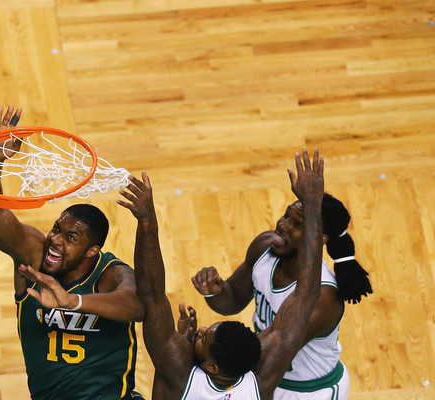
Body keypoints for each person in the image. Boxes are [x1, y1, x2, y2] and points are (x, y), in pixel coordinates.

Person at [117, 148, 326, 400]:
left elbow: (151, 294)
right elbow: (305, 294)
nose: (200, 329)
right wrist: (312, 204)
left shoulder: (177, 374)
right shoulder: (259, 384)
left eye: (203, 337)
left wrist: (147, 221)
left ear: (212, 367)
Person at [0, 105, 145, 400]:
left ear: (92, 250)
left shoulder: (110, 274)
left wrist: (72, 301)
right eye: (56, 229)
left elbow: (137, 306)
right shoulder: (34, 257)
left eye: (70, 237)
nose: (55, 240)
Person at [191, 161, 372, 399]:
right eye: (286, 214)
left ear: (318, 239)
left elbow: (275, 343)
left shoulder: (324, 298)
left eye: (297, 224)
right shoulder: (264, 246)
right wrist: (215, 291)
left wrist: (211, 349)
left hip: (310, 391)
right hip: (265, 374)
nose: (282, 225)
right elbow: (233, 298)